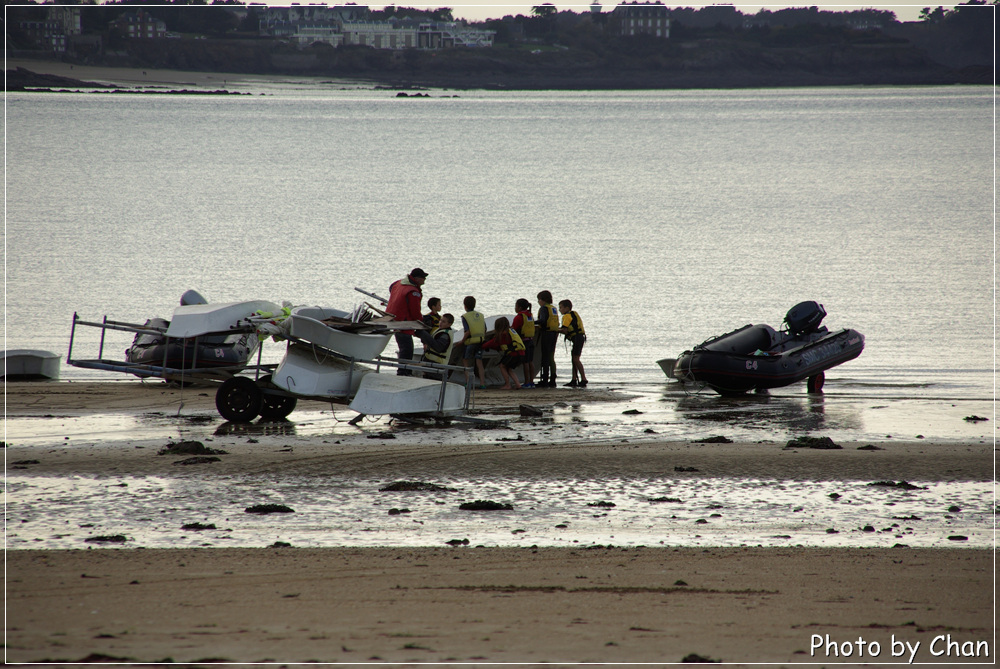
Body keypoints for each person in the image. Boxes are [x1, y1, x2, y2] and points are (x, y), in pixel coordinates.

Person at [386, 268, 427, 376]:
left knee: (403, 347)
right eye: (423, 278)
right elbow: (415, 311)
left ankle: (404, 371)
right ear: (417, 279)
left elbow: (391, 287)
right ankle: (403, 372)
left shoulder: (399, 283)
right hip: (404, 322)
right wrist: (421, 322)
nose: (425, 281)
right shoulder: (413, 291)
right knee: (407, 349)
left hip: (393, 318)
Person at [482, 316, 526, 390]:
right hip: (521, 353)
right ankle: (518, 384)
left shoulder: (503, 334)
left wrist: (482, 345)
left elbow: (492, 343)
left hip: (513, 354)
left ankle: (508, 385)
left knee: (502, 366)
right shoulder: (511, 331)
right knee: (509, 368)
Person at [558, 299, 588, 387]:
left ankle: (584, 379)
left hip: (577, 338)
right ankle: (574, 379)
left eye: (561, 308)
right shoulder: (574, 314)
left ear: (567, 308)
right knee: (574, 359)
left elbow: (564, 330)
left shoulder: (567, 316)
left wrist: (554, 330)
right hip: (579, 338)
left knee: (576, 359)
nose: (559, 310)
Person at [417, 312, 455, 381]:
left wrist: (423, 334)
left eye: (443, 322)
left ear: (449, 324)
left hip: (437, 366)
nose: (440, 323)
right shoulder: (440, 330)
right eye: (440, 320)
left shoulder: (445, 335)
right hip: (431, 364)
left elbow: (438, 347)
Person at [460, 295, 487, 388]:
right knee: (479, 362)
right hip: (480, 341)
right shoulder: (480, 315)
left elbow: (468, 331)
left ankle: (468, 382)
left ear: (465, 306)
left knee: (465, 360)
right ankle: (482, 383)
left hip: (470, 342)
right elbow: (485, 329)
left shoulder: (465, 317)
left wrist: (461, 341)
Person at [535, 290, 559, 387]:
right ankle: (552, 380)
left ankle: (544, 380)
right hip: (554, 334)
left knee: (545, 357)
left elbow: (543, 320)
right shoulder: (553, 308)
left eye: (539, 300)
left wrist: (532, 323)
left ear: (543, 300)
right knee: (551, 357)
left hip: (546, 334)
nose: (538, 302)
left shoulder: (544, 308)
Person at [512, 298, 536, 389]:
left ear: (519, 307)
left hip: (524, 342)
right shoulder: (529, 315)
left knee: (525, 362)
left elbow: (513, 328)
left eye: (516, 306)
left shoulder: (519, 317)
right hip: (530, 341)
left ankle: (526, 382)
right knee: (530, 362)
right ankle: (531, 382)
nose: (515, 308)